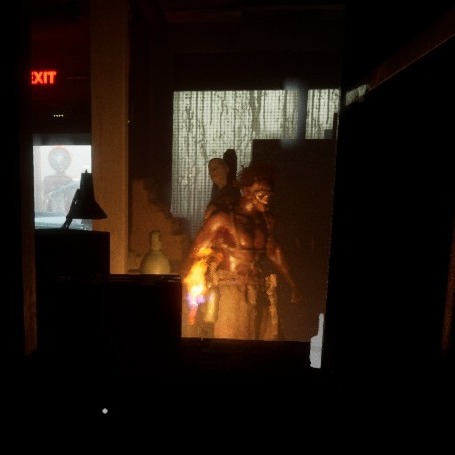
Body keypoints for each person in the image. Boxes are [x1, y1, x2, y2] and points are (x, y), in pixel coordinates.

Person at [182, 161, 301, 341]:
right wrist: (189, 293)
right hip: (231, 293)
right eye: (261, 194)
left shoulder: (265, 221)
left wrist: (292, 284)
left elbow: (273, 251)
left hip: (259, 291)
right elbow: (196, 252)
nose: (266, 199)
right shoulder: (222, 219)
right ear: (246, 192)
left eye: (269, 194)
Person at [203, 156, 240, 221]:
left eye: (215, 168)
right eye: (210, 170)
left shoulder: (233, 192)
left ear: (226, 169)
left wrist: (216, 207)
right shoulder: (216, 193)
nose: (212, 172)